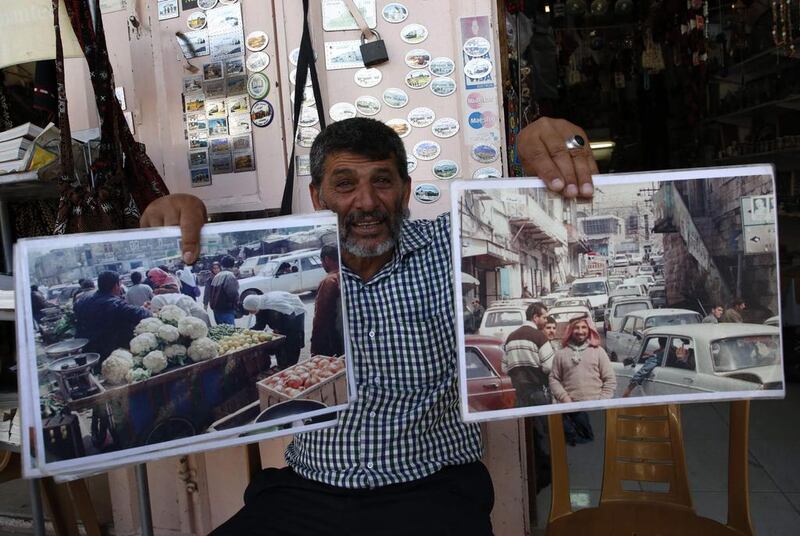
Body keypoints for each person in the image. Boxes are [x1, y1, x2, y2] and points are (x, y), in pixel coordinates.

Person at [141, 116, 597, 535]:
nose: (366, 202)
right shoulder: (310, 275)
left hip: (433, 489)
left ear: (405, 190)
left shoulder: (447, 245)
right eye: (345, 184)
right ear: (317, 196)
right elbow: (187, 244)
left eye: (382, 181)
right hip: (309, 488)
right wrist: (171, 223)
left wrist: (545, 141)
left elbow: (542, 179)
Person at [74, 271, 152, 360]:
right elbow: (142, 315)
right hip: (108, 353)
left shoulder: (82, 301)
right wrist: (145, 310)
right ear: (116, 286)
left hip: (86, 351)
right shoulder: (113, 303)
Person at [549, 313, 616, 403]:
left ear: (589, 329)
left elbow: (610, 379)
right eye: (576, 327)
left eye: (584, 327)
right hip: (570, 408)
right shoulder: (560, 354)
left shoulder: (599, 352)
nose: (580, 331)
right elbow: (554, 379)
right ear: (571, 330)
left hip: (597, 406)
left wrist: (602, 401)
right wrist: (564, 398)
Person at [502, 303, 555, 407]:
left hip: (519, 395)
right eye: (544, 317)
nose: (546, 321)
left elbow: (504, 368)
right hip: (538, 393)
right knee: (542, 423)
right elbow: (549, 366)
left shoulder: (510, 337)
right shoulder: (540, 337)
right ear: (535, 317)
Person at [243, 292, 306, 369]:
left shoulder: (273, 305)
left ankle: (291, 367)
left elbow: (290, 317)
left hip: (295, 315)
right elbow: (260, 325)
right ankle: (282, 366)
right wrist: (247, 332)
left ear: (254, 306)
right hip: (283, 323)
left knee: (292, 343)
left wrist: (279, 330)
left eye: (250, 310)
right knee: (280, 345)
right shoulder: (259, 306)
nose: (250, 313)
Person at [310, 244, 344, 357]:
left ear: (327, 259)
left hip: (335, 339)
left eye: (322, 261)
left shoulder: (330, 281)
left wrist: (315, 346)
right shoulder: (348, 274)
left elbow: (321, 317)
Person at [207, 255, 240, 325]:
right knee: (231, 334)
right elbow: (233, 294)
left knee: (222, 333)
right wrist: (237, 305)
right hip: (226, 310)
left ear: (222, 265)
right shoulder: (229, 276)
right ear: (233, 265)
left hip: (216, 310)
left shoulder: (217, 276)